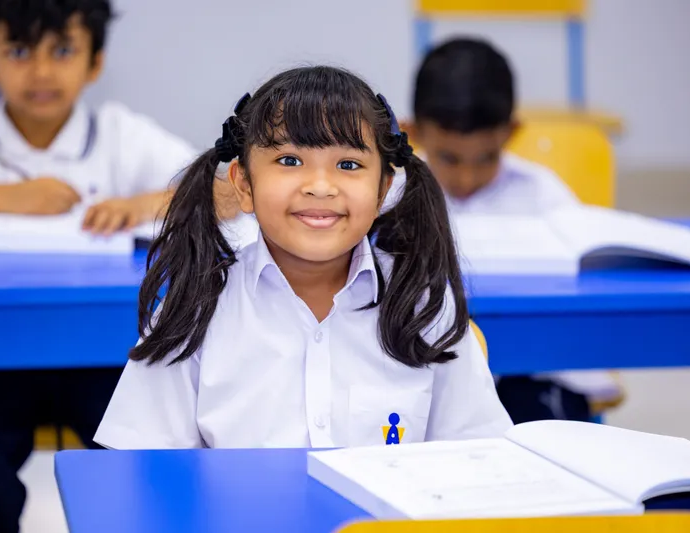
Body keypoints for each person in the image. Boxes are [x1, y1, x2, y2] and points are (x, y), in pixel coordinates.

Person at [0, 1, 231, 531]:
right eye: (17, 51)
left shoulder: (120, 134)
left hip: (102, 354)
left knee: (147, 452)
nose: (41, 71)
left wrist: (143, 204)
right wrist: (10, 197)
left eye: (62, 50)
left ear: (95, 61)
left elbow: (221, 189)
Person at [95, 66, 512, 450]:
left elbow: (480, 460)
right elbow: (142, 464)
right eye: (289, 160)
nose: (319, 186)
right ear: (243, 184)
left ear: (383, 187)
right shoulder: (196, 302)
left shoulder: (423, 302)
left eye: (348, 164)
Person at [396, 36, 622, 423]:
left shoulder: (542, 192)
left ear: (512, 132)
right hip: (428, 369)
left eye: (486, 157)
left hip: (533, 371)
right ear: (412, 131)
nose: (467, 177)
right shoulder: (395, 194)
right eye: (449, 158)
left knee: (545, 430)